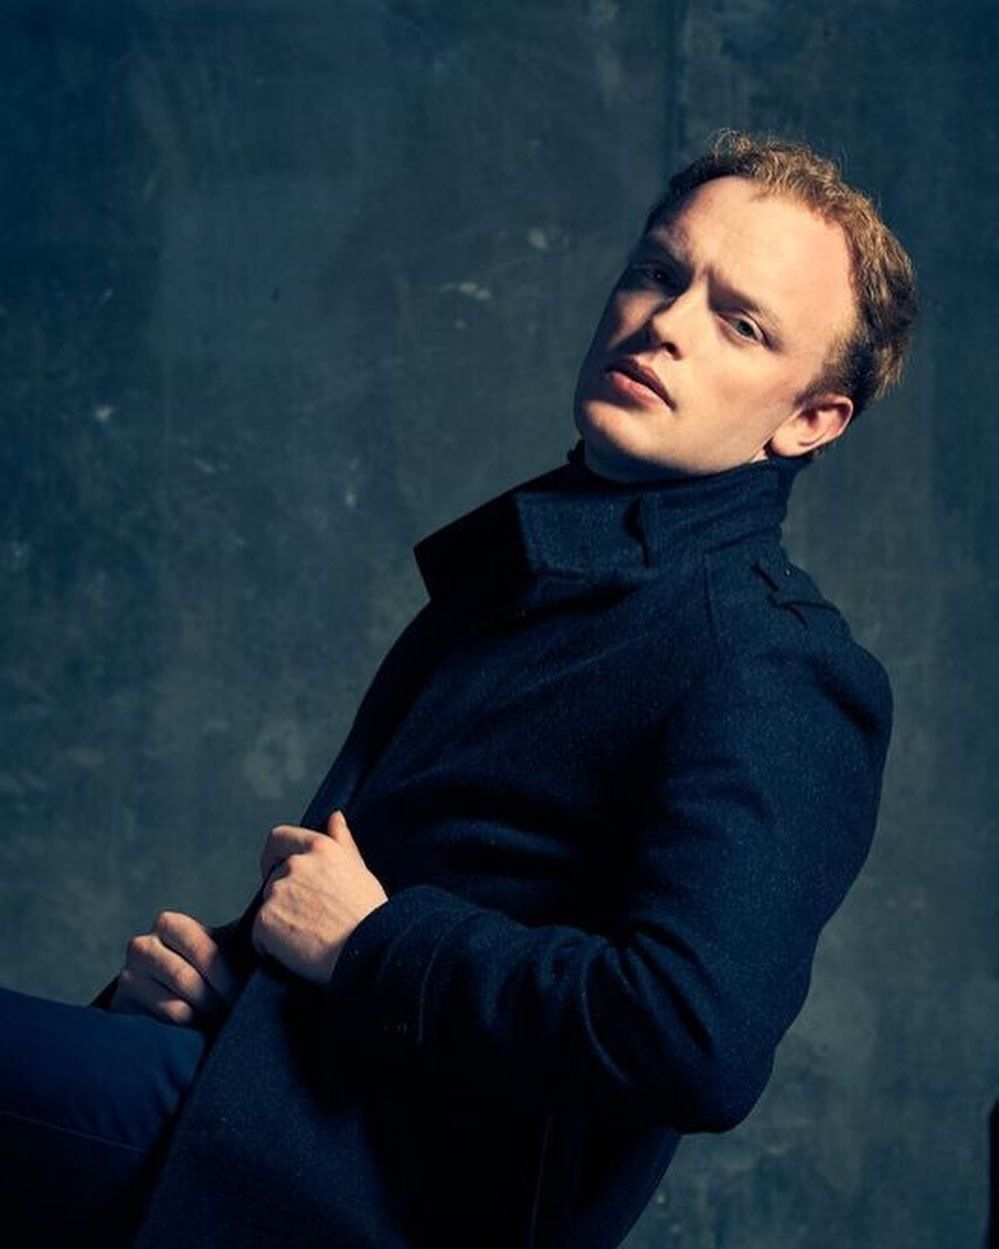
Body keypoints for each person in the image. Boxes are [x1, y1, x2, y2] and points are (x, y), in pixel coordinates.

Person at [0, 128, 918, 1248]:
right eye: (658, 272)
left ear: (810, 418)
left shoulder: (773, 662)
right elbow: (392, 905)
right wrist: (232, 988)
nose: (667, 324)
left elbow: (693, 1038)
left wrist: (369, 945)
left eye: (741, 323)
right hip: (249, 1109)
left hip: (358, 1199)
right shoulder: (530, 575)